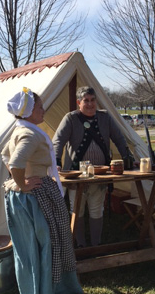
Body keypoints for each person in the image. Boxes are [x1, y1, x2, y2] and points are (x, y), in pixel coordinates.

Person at [1, 87, 83, 294]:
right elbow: (14, 162)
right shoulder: (29, 134)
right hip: (35, 197)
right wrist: (23, 182)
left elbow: (5, 156)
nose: (43, 110)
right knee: (47, 245)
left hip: (27, 196)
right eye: (39, 107)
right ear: (27, 111)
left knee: (30, 249)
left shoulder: (20, 130)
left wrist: (22, 178)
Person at [52, 86, 128, 247]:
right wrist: (56, 162)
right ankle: (80, 244)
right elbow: (58, 141)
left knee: (96, 209)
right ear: (79, 102)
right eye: (86, 100)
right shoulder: (71, 118)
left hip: (100, 175)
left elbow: (119, 138)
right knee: (77, 209)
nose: (90, 104)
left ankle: (95, 245)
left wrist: (128, 157)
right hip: (76, 176)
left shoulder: (105, 117)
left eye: (93, 100)